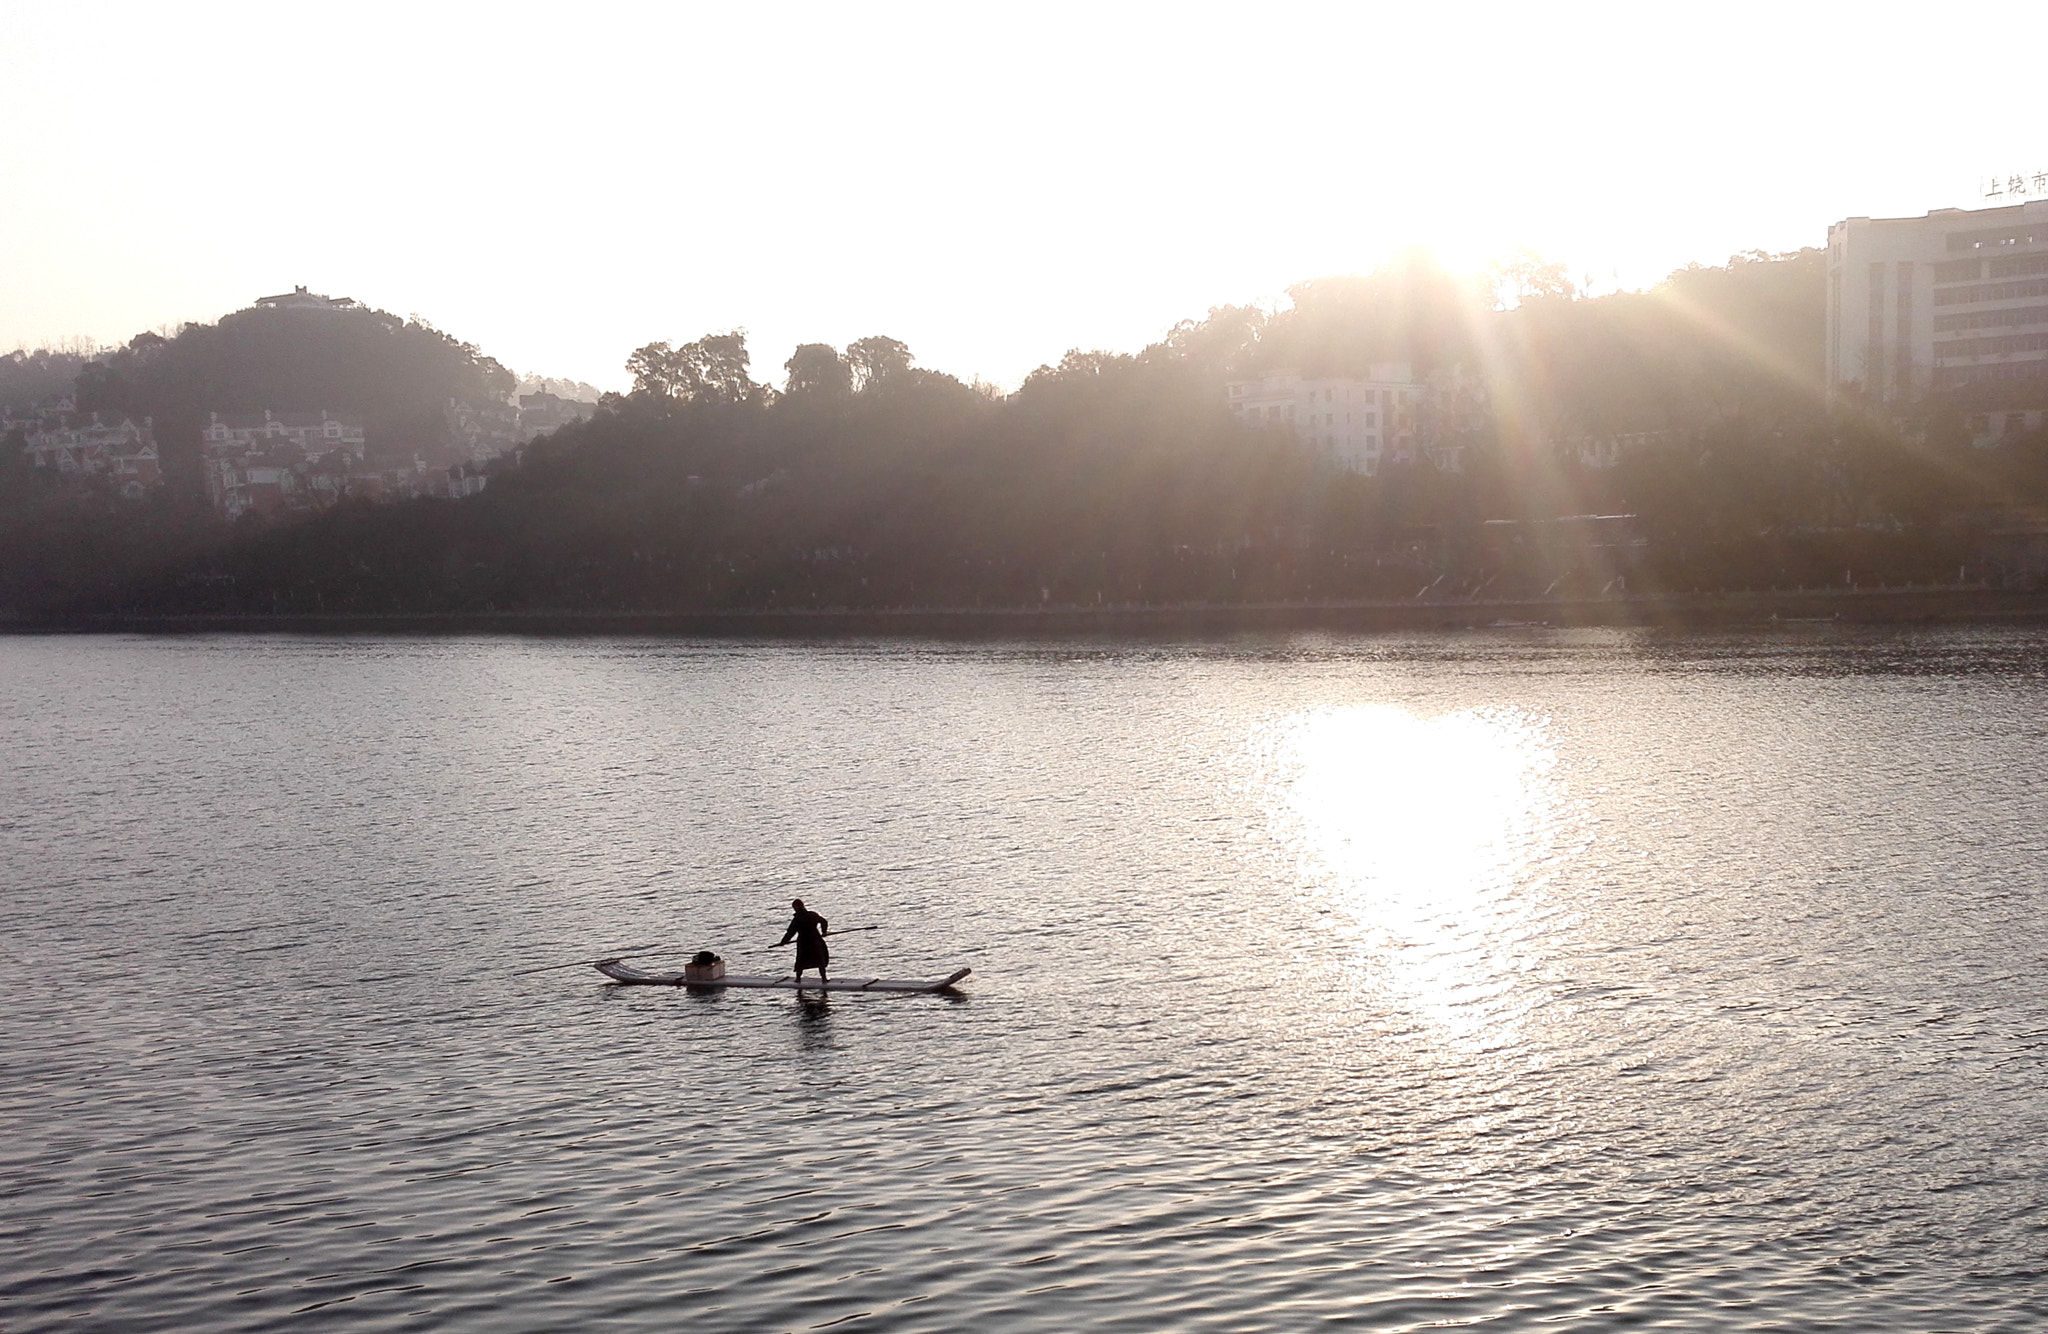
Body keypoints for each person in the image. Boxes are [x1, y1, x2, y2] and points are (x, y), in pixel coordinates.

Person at [779, 898, 830, 988]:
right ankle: (824, 979)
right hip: (815, 939)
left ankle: (798, 979)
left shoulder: (797, 919)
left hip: (803, 942)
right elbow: (823, 921)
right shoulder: (812, 915)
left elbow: (790, 932)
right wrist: (824, 932)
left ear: (795, 908)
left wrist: (783, 942)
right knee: (819, 960)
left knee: (801, 961)